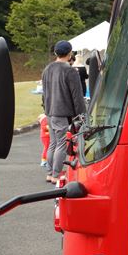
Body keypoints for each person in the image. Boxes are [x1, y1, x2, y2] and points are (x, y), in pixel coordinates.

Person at [42, 40, 86, 183]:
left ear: (55, 53)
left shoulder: (47, 69)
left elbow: (45, 93)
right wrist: (81, 115)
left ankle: (49, 173)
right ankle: (56, 175)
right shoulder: (70, 71)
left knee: (53, 143)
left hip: (49, 111)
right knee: (61, 144)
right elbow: (77, 96)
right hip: (61, 112)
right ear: (69, 53)